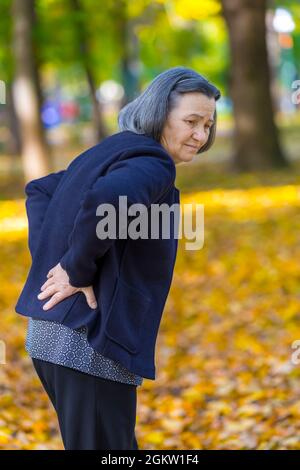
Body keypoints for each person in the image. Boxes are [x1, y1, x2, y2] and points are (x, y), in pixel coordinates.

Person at [15, 66, 220, 450]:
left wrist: (56, 263)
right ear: (160, 113)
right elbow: (108, 201)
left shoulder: (113, 149)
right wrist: (73, 269)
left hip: (53, 338)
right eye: (190, 121)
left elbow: (40, 190)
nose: (200, 135)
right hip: (87, 343)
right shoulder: (152, 162)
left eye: (207, 125)